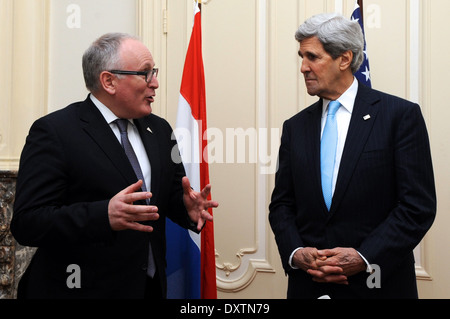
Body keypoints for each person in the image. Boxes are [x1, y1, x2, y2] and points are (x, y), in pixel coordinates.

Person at [11, 33, 218, 299]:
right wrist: (103, 216)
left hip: (148, 289)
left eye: (153, 72)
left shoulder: (160, 129)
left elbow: (162, 202)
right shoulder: (55, 132)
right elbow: (28, 223)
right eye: (145, 73)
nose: (155, 83)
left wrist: (186, 209)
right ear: (109, 81)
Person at [269, 13, 436, 299]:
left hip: (377, 285)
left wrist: (363, 256)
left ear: (344, 59)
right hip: (308, 286)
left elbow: (416, 206)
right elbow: (282, 204)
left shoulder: (399, 117)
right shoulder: (295, 127)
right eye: (301, 56)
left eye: (312, 57)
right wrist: (296, 253)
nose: (303, 67)